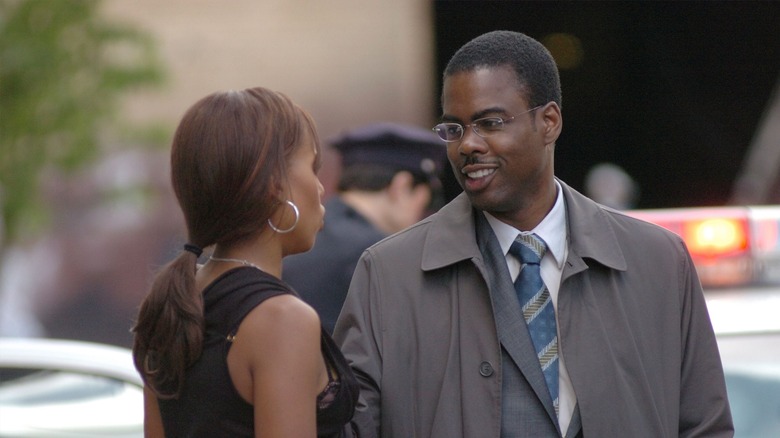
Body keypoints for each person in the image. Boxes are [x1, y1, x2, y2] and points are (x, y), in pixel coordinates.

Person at [334, 31, 733, 437]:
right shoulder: (389, 274)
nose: (468, 145)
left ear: (549, 122)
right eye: (454, 129)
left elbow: (705, 425)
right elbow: (351, 426)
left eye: (490, 123)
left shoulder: (659, 262)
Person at [132, 87, 359, 437]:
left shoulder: (173, 301)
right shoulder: (282, 319)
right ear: (274, 184)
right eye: (312, 167)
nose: (319, 189)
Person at [283, 122, 446, 333]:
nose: (424, 213)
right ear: (401, 186)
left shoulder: (300, 235)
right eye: (429, 199)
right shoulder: (383, 256)